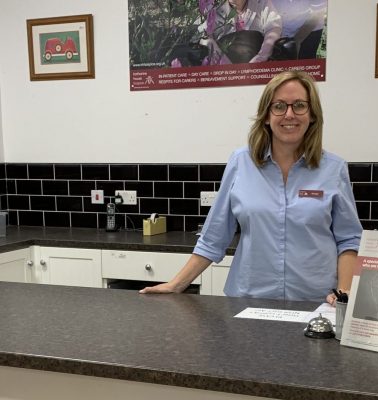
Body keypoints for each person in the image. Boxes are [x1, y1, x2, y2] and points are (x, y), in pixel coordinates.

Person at [140, 70, 362, 304]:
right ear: (266, 115)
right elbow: (214, 236)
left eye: (299, 105)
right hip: (250, 300)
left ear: (313, 114)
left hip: (315, 301)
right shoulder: (240, 162)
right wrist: (177, 284)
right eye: (279, 106)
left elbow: (348, 240)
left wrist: (343, 291)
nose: (289, 114)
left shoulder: (334, 169)